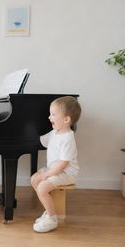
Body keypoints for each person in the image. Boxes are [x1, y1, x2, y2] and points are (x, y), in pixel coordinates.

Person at [31, 96, 81, 232]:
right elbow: (40, 140)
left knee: (41, 187)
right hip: (55, 169)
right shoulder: (55, 132)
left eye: (53, 114)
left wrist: (46, 175)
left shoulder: (68, 138)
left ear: (66, 120)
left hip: (66, 172)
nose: (49, 117)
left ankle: (52, 219)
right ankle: (48, 211)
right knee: (34, 179)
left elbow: (63, 164)